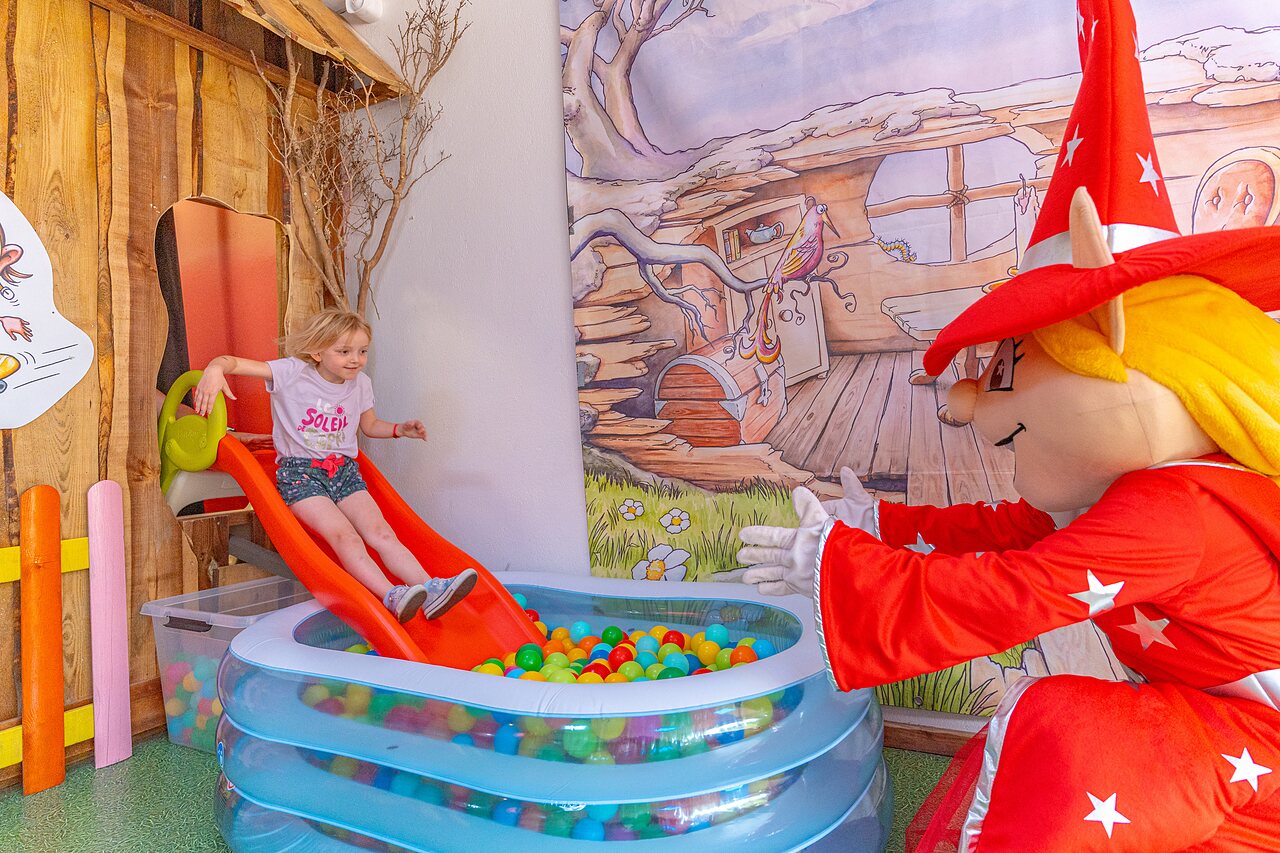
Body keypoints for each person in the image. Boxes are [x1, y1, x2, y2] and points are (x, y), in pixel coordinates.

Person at [192, 308, 475, 623]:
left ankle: (430, 587)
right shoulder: (292, 372)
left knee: (382, 533)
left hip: (344, 471)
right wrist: (215, 368)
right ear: (317, 351)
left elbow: (369, 425)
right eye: (344, 351)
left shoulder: (361, 384)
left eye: (362, 351)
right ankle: (391, 595)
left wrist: (399, 429)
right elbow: (233, 364)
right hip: (300, 477)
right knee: (346, 537)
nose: (355, 359)